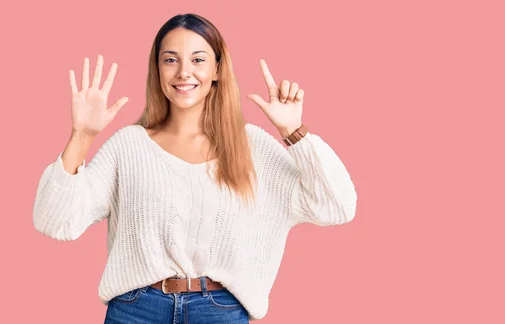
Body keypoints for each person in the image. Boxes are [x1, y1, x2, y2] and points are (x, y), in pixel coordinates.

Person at [33, 13, 357, 323]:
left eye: (198, 59)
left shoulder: (251, 147)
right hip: (135, 310)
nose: (184, 72)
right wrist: (82, 135)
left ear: (217, 68)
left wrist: (294, 132)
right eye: (170, 59)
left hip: (219, 311)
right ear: (157, 69)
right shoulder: (129, 146)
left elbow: (337, 206)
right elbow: (55, 221)